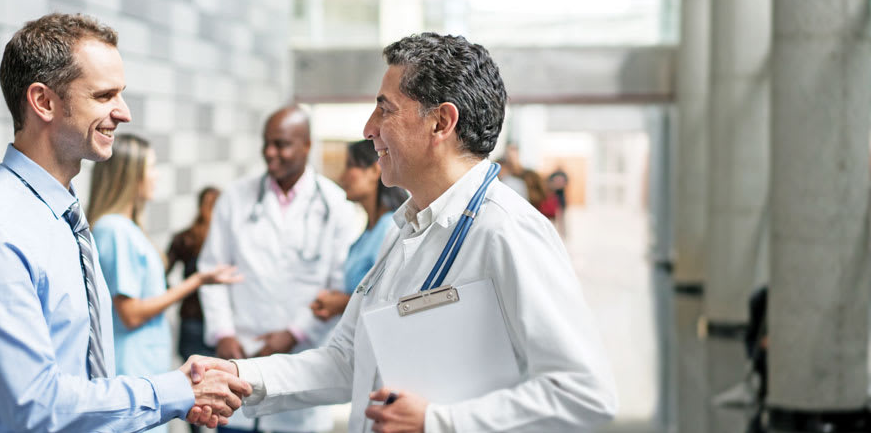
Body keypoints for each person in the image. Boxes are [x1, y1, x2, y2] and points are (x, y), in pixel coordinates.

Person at [214, 33, 618, 432]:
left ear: (441, 122)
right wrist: (235, 376)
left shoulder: (507, 231)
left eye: (384, 110)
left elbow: (583, 392)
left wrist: (438, 421)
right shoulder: (406, 229)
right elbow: (349, 361)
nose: (369, 128)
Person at [0, 13, 248, 432]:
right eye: (104, 95)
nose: (124, 113)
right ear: (43, 102)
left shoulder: (62, 218)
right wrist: (176, 391)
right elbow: (37, 406)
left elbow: (78, 374)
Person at [198, 105, 355, 433]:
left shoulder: (336, 206)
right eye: (266, 143)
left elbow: (338, 289)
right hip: (240, 357)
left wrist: (295, 333)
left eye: (281, 144)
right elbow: (212, 272)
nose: (270, 153)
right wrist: (223, 332)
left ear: (307, 145)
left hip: (302, 364)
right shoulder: (235, 198)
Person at [86, 133, 244, 433]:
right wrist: (196, 280)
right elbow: (130, 313)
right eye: (152, 167)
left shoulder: (126, 228)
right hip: (131, 366)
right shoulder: (115, 231)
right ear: (130, 176)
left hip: (145, 364)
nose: (157, 176)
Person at [309, 139, 407, 320]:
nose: (341, 177)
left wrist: (343, 304)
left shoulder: (391, 228)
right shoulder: (368, 233)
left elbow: (393, 300)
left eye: (350, 166)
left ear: (375, 170)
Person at [167, 187, 222, 356]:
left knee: (192, 378)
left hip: (192, 316)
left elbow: (162, 272)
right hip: (219, 319)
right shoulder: (224, 241)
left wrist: (175, 294)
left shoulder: (185, 238)